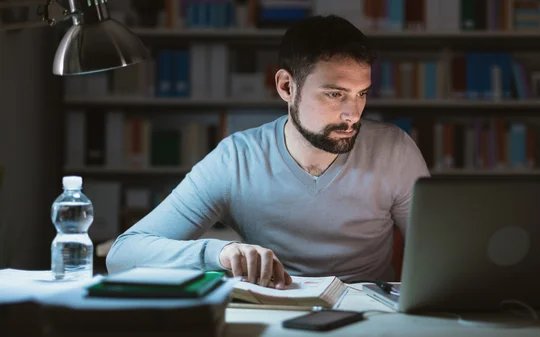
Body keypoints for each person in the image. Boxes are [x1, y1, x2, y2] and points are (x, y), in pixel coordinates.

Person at [106, 15, 430, 290]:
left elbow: (440, 253)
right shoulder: (237, 159)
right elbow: (122, 256)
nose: (353, 113)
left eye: (361, 94)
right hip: (274, 313)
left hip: (369, 315)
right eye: (335, 94)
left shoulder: (395, 150)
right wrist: (219, 253)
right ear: (286, 87)